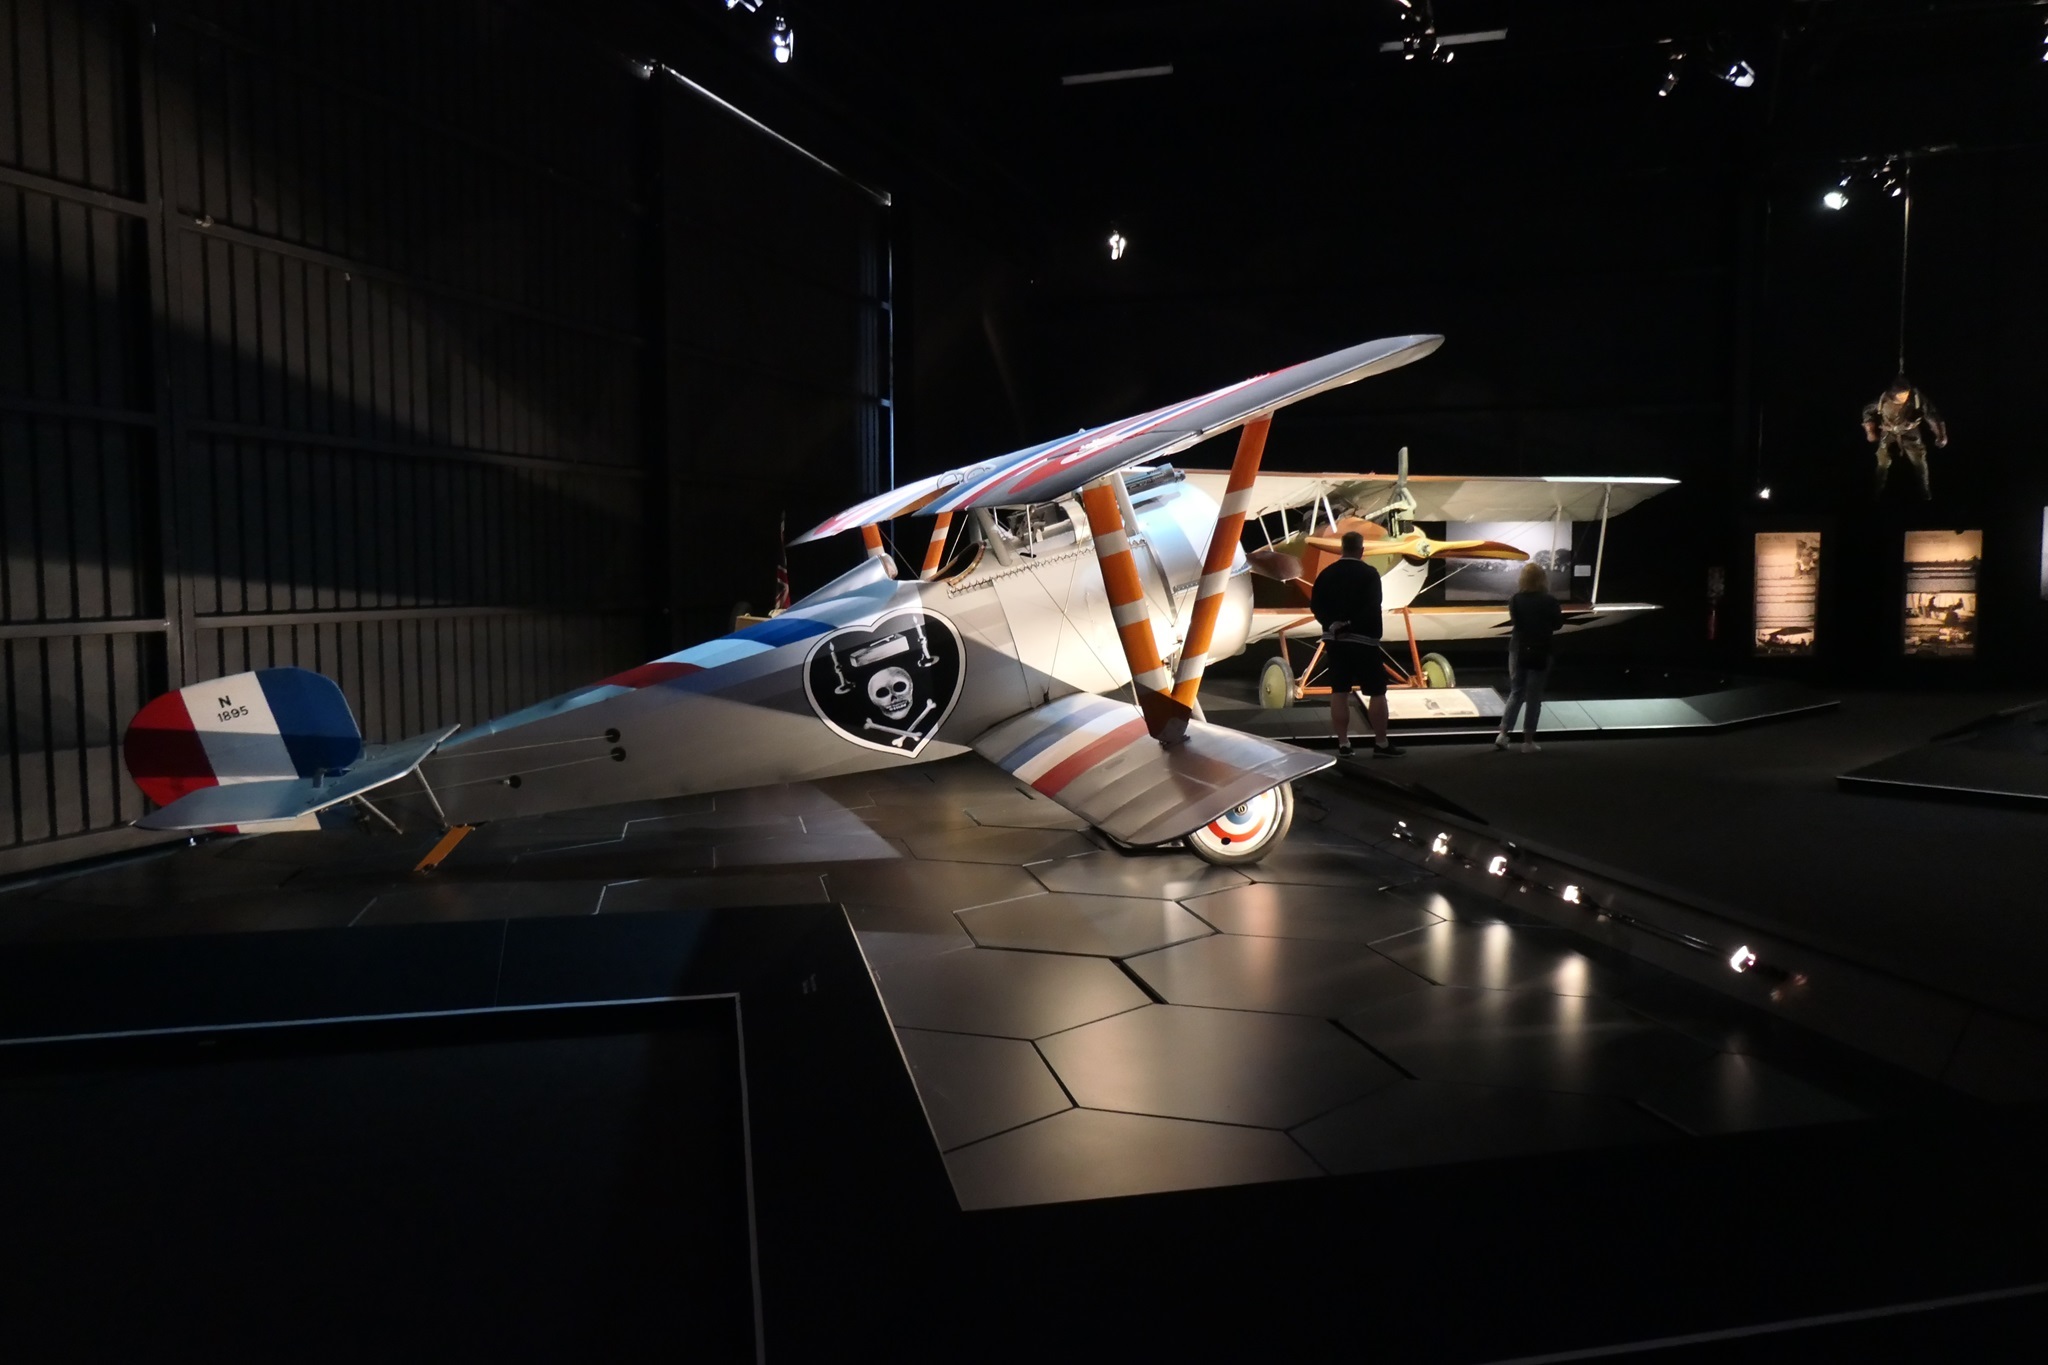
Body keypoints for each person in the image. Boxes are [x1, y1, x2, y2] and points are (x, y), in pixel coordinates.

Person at [1310, 530, 1402, 758]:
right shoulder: (1369, 574)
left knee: (1339, 691)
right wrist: (1350, 624)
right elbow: (1372, 606)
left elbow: (1316, 606)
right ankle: (1381, 743)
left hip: (1335, 642)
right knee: (1377, 692)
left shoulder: (1326, 574)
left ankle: (1343, 743)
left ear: (1342, 548)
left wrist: (1332, 625)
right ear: (1362, 550)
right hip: (1364, 643)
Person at [1494, 561, 1562, 754]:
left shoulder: (1515, 599)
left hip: (1518, 647)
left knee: (1516, 692)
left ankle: (1503, 735)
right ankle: (1528, 741)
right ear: (1542, 579)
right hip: (1541, 649)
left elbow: (1516, 622)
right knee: (1534, 696)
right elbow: (1557, 624)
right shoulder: (1549, 600)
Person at [1861, 376, 1947, 500]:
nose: (1902, 397)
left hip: (1910, 431)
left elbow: (1931, 414)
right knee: (1882, 462)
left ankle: (1925, 490)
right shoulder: (1883, 399)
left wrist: (1940, 434)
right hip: (1888, 431)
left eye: (1905, 394)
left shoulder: (1916, 399)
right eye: (1899, 394)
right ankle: (1877, 491)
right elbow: (1868, 411)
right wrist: (1870, 431)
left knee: (1919, 461)